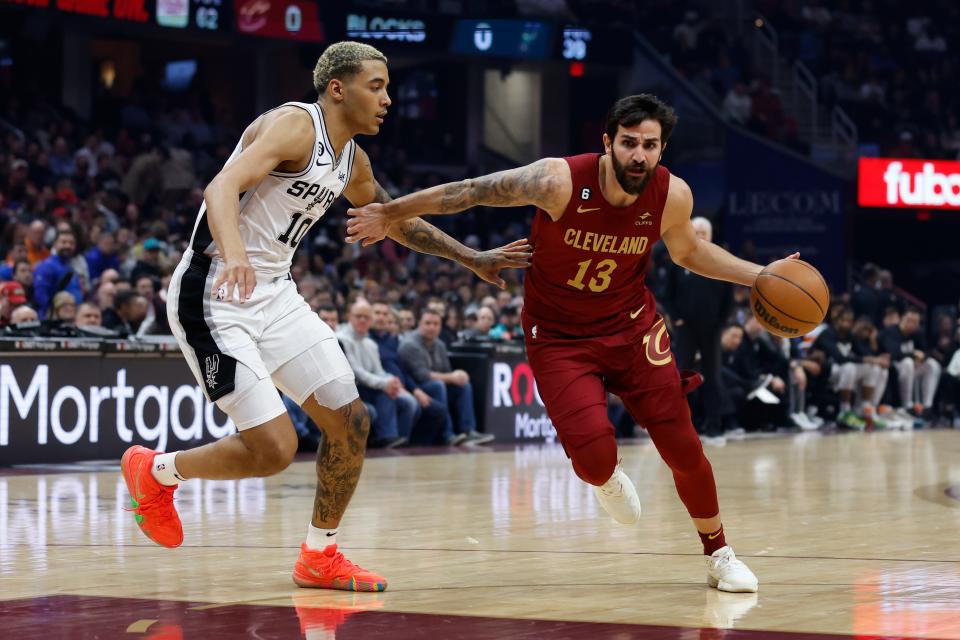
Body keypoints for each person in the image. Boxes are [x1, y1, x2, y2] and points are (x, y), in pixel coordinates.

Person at [118, 41, 530, 592]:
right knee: (274, 450)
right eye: (376, 86)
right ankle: (155, 471)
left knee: (352, 421)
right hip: (214, 291)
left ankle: (320, 555)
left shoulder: (352, 159)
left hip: (276, 296)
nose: (387, 99)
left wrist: (470, 258)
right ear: (338, 89)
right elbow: (220, 187)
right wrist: (236, 254)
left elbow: (394, 218)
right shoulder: (295, 125)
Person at [347, 94, 797, 593]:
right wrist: (389, 212)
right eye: (629, 143)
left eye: (650, 145)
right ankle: (604, 476)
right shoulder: (556, 181)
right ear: (607, 143)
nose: (639, 155)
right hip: (558, 336)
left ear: (662, 149)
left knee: (683, 446)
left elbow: (689, 251)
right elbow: (470, 191)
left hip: (632, 328)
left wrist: (760, 275)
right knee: (595, 458)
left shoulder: (673, 195)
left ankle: (720, 553)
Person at [399, 309, 494, 445]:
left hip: (435, 387)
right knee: (438, 385)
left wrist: (458, 376)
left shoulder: (440, 345)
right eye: (428, 323)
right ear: (419, 324)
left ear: (440, 326)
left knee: (463, 386)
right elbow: (422, 376)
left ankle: (468, 431)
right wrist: (451, 377)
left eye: (436, 324)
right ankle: (447, 434)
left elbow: (446, 371)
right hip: (414, 388)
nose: (432, 327)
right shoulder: (410, 345)